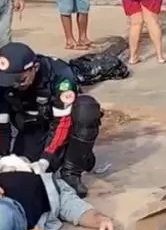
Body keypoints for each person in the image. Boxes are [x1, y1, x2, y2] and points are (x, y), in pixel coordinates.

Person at [0, 42, 103, 198]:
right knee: (26, 170)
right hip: (33, 126)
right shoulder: (4, 83)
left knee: (85, 108)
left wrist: (45, 159)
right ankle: (79, 155)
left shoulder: (60, 75)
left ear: (34, 68)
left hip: (61, 121)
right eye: (8, 81)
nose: (13, 85)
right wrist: (3, 156)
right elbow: (2, 126)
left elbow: (62, 123)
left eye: (19, 79)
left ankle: (72, 171)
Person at [0, 156, 116, 230]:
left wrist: (100, 219)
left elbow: (72, 205)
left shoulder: (47, 182)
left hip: (12, 209)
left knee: (4, 219)